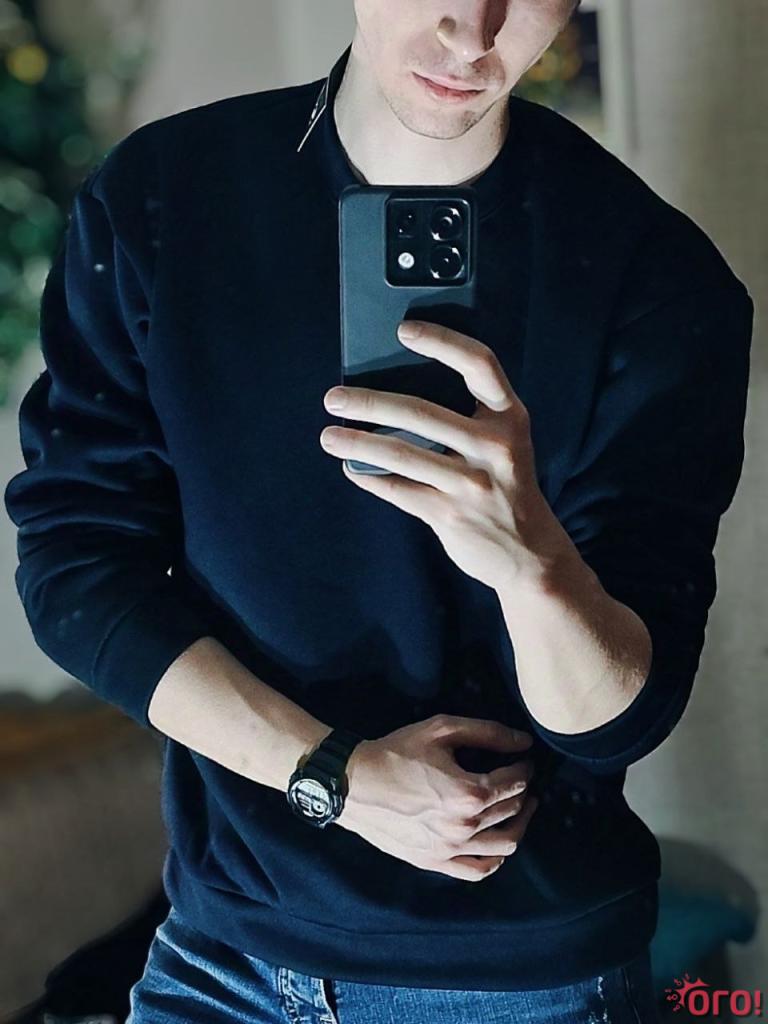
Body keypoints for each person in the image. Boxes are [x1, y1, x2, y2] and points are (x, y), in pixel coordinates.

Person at [4, 0, 754, 1021]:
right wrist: (333, 774)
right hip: (219, 958)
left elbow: (622, 715)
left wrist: (533, 562)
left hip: (521, 980)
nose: (472, 32)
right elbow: (76, 564)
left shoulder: (660, 277)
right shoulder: (161, 200)